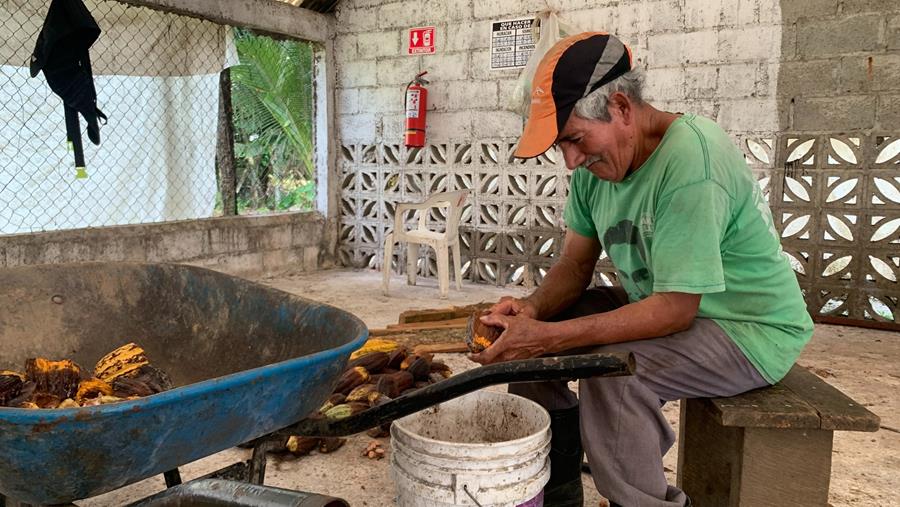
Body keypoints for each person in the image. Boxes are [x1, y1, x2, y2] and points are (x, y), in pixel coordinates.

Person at [469, 32, 814, 507]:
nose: (571, 162)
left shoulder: (692, 160)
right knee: (533, 341)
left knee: (616, 373)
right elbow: (574, 263)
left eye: (574, 139)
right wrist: (533, 311)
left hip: (747, 328)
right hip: (664, 303)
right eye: (560, 146)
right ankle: (555, 491)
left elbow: (675, 310)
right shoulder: (595, 168)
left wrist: (549, 338)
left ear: (621, 108)